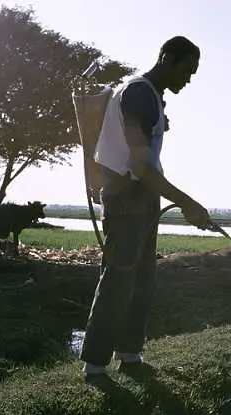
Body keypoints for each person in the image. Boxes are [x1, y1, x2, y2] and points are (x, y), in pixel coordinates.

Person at [79, 36, 211, 382]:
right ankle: (95, 365)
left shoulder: (149, 96)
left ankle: (130, 354)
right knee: (119, 280)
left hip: (142, 198)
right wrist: (187, 203)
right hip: (127, 197)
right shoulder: (139, 93)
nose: (189, 79)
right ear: (167, 58)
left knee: (142, 279)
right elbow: (139, 167)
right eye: (187, 70)